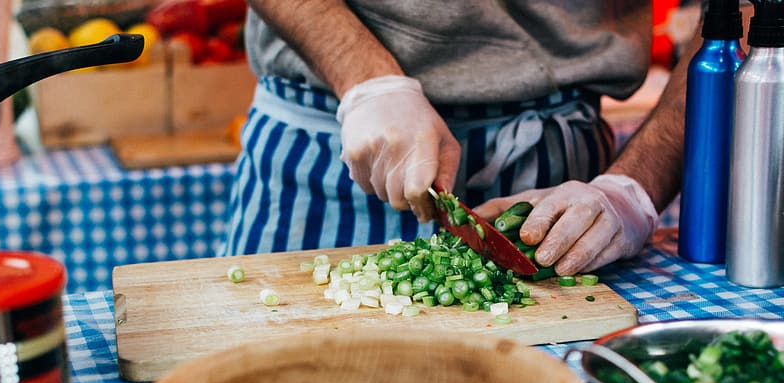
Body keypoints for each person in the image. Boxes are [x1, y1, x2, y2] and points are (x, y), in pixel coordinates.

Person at [222, 1, 697, 276]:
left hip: (557, 183)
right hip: (327, 149)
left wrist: (633, 188)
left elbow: (740, 11)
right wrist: (364, 79)